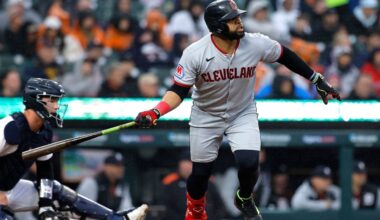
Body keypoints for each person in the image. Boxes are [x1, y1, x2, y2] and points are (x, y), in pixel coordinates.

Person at [134, 0, 340, 219]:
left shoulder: (254, 42)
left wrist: (316, 78)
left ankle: (244, 196)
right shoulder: (195, 53)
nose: (239, 23)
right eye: (232, 20)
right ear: (218, 26)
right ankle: (195, 210)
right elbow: (178, 89)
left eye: (238, 17)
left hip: (242, 112)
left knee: (250, 162)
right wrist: (156, 111)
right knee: (201, 174)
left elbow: (284, 55)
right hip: (206, 114)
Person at [0, 78, 147, 220]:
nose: (57, 106)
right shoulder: (10, 127)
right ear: (36, 100)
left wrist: (45, 205)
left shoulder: (44, 132)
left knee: (56, 191)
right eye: (52, 100)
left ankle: (116, 218)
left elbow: (44, 169)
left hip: (9, 189)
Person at [162, 151, 226, 219]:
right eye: (183, 166)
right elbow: (166, 206)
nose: (185, 168)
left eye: (188, 164)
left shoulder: (207, 182)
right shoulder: (172, 184)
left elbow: (219, 205)